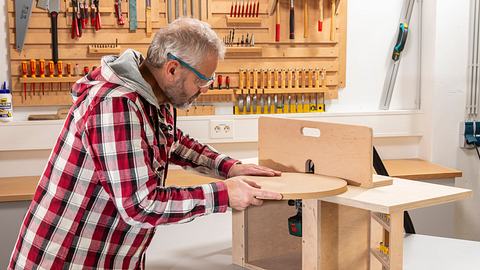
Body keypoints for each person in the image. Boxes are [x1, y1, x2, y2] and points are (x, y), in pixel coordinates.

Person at [8, 18, 282, 269]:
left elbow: (172, 141)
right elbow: (141, 205)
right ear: (173, 69)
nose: (206, 88)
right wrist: (223, 194)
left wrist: (229, 168)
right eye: (202, 79)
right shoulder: (115, 105)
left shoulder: (153, 96)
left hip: (113, 256)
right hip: (67, 257)